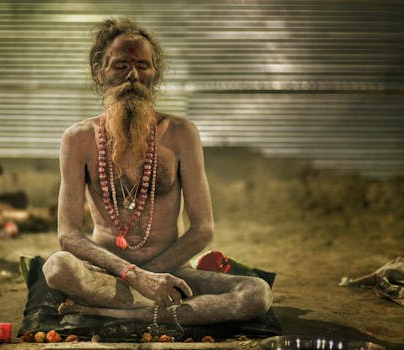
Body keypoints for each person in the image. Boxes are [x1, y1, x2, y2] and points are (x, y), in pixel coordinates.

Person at [42, 17, 272, 328]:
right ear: (100, 74)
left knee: (256, 293)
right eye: (120, 65)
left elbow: (202, 228)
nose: (132, 76)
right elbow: (68, 234)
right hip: (109, 275)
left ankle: (117, 314)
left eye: (143, 66)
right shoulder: (77, 139)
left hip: (171, 273)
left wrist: (153, 276)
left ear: (155, 74)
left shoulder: (181, 133)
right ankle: (152, 312)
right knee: (57, 268)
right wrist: (134, 276)